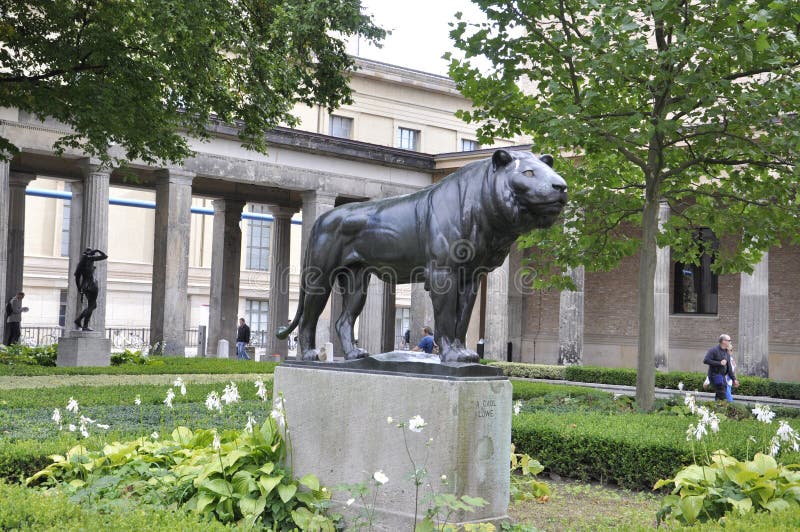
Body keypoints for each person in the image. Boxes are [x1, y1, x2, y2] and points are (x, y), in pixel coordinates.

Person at [73, 248, 108, 331]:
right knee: (92, 306)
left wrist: (79, 289)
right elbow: (105, 256)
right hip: (92, 285)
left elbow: (77, 278)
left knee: (92, 306)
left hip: (85, 286)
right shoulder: (90, 259)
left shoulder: (80, 265)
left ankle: (80, 320)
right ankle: (84, 324)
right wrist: (97, 250)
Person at [704, 333, 739, 402]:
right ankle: (724, 409)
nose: (730, 342)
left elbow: (729, 368)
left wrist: (734, 379)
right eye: (729, 340)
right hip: (715, 376)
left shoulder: (726, 352)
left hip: (722, 377)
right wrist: (719, 363)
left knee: (720, 395)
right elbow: (706, 360)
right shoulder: (713, 350)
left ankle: (716, 408)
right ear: (723, 341)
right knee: (723, 395)